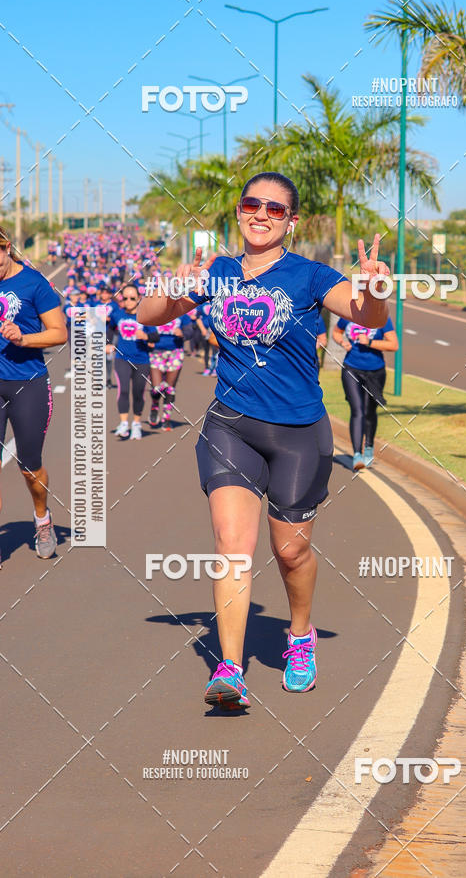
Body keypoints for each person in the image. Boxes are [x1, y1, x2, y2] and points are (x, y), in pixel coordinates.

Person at [138, 171, 390, 711]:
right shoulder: (217, 272)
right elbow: (147, 315)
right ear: (239, 211)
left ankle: (300, 635)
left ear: (290, 222)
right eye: (252, 204)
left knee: (291, 551)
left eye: (275, 209)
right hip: (231, 425)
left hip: (299, 432)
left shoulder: (310, 276)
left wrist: (373, 288)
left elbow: (366, 315)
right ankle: (230, 669)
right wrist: (175, 287)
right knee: (232, 546)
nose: (261, 215)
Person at [0, 227, 67, 563]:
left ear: (6, 248)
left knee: (29, 466)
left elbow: (59, 333)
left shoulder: (34, 283)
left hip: (27, 383)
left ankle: (42, 518)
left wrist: (23, 338)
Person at [332, 315, 398, 470]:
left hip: (375, 372)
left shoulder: (381, 317)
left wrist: (369, 342)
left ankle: (368, 446)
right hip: (351, 369)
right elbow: (336, 332)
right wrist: (342, 342)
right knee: (357, 411)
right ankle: (357, 454)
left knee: (369, 411)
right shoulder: (348, 315)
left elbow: (394, 345)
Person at [107, 285, 158, 440]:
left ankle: (136, 424)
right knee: (123, 390)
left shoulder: (145, 317)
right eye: (125, 298)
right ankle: (124, 423)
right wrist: (108, 343)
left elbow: (155, 336)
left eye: (132, 298)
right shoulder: (117, 314)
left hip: (142, 360)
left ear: (138, 299)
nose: (128, 301)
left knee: (138, 392)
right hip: (122, 358)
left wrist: (146, 337)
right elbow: (109, 329)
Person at [148, 313, 190, 430]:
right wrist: (148, 338)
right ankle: (155, 406)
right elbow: (145, 328)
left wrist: (183, 333)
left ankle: (166, 418)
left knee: (170, 388)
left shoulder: (181, 314)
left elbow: (190, 331)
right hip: (156, 352)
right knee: (157, 388)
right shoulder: (155, 311)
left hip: (175, 352)